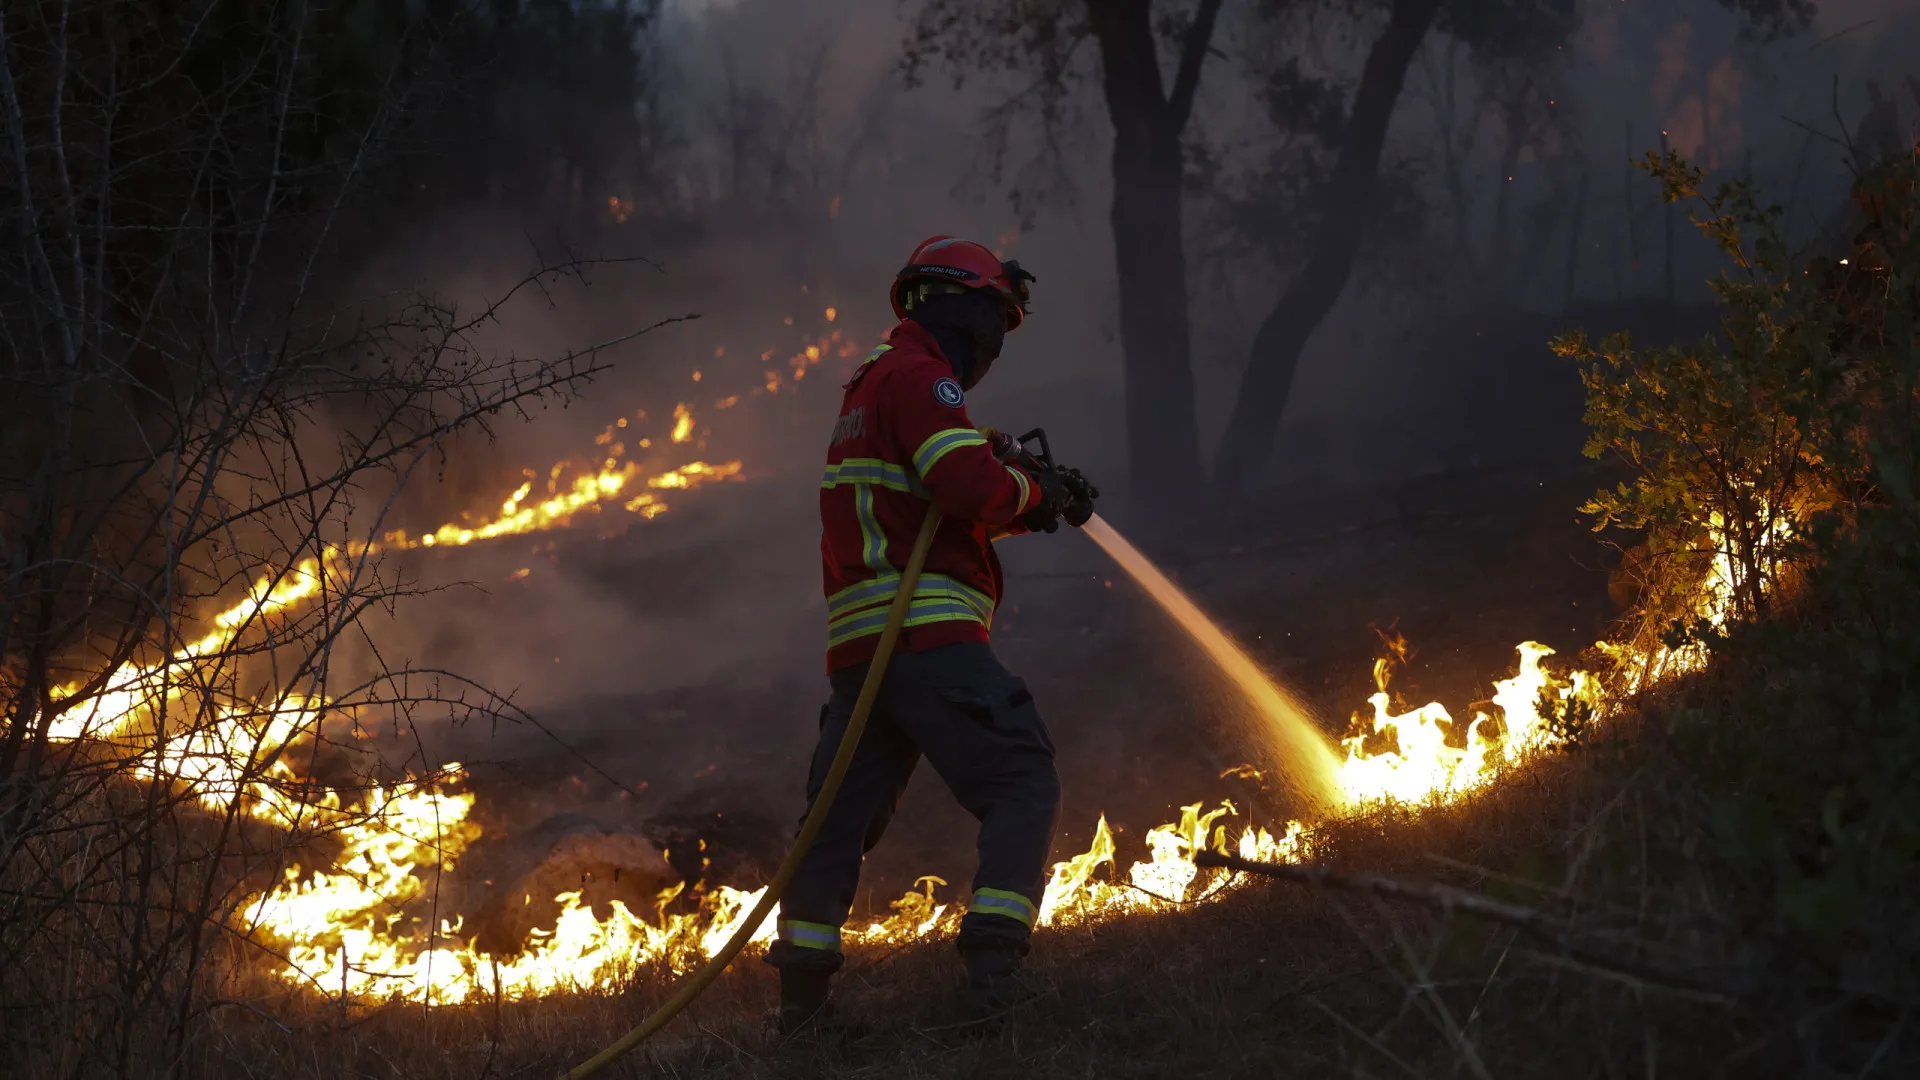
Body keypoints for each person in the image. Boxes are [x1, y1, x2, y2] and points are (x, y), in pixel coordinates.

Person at [763, 235, 1095, 1031]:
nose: (994, 344)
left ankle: (802, 1014)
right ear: (960, 306)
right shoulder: (921, 378)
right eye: (994, 319)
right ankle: (994, 980)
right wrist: (1029, 491)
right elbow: (962, 484)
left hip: (866, 655)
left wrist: (1019, 496)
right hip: (928, 638)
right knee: (1022, 778)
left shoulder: (871, 389)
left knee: (837, 822)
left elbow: (929, 509)